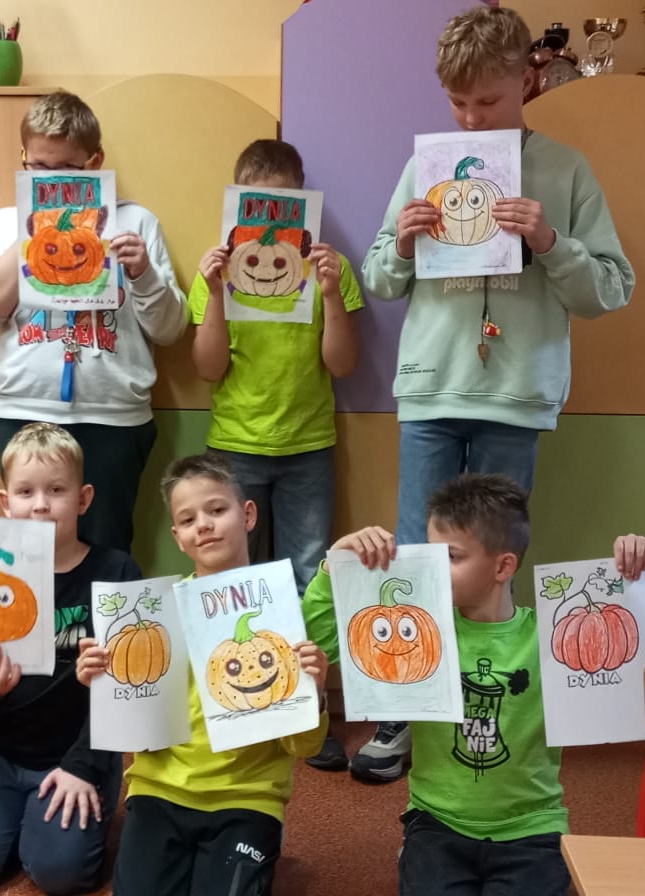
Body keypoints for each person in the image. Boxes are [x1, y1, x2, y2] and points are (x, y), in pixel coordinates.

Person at [351, 5, 636, 783]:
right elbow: (378, 279)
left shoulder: (567, 171)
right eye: (458, 103)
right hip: (432, 392)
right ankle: (402, 712)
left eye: (489, 100)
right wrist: (402, 242)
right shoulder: (426, 167)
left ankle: (488, 707)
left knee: (493, 562)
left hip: (514, 394)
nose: (473, 118)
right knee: (416, 556)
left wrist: (550, 242)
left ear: (527, 82)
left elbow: (610, 290)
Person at [300, 474, 645, 896]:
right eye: (430, 552)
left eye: (451, 556)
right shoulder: (420, 631)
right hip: (437, 822)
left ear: (503, 566)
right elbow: (319, 642)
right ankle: (413, 850)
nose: (432, 567)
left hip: (532, 827)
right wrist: (332, 568)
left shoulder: (549, 636)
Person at [76, 453, 328, 896]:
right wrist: (102, 685)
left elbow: (304, 746)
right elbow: (134, 731)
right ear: (178, 537)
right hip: (160, 791)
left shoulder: (281, 616)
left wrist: (317, 694)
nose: (204, 525)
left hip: (247, 798)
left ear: (248, 515)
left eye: (216, 509)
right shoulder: (156, 617)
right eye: (188, 519)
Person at [188, 138, 364, 771]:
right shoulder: (218, 271)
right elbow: (207, 368)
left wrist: (332, 293)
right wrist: (213, 292)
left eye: (285, 203)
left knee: (307, 577)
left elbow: (342, 364)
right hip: (235, 446)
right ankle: (234, 706)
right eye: (256, 203)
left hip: (307, 446)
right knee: (230, 578)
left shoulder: (329, 269)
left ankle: (305, 708)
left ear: (302, 201)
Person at [0, 90, 185, 556]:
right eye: (39, 168)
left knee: (108, 551)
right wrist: (30, 235)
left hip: (113, 418)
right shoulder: (4, 224)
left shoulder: (137, 222)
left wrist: (143, 273)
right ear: (24, 160)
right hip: (24, 412)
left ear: (95, 161)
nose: (52, 179)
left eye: (67, 168)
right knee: (29, 555)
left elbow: (170, 330)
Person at [0, 422, 138, 895]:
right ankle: (10, 817)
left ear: (83, 499)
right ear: (6, 503)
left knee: (61, 874)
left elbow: (125, 693)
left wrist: (84, 766)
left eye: (56, 490)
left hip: (77, 753)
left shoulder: (116, 572)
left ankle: (56, 814)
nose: (41, 504)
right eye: (26, 492)